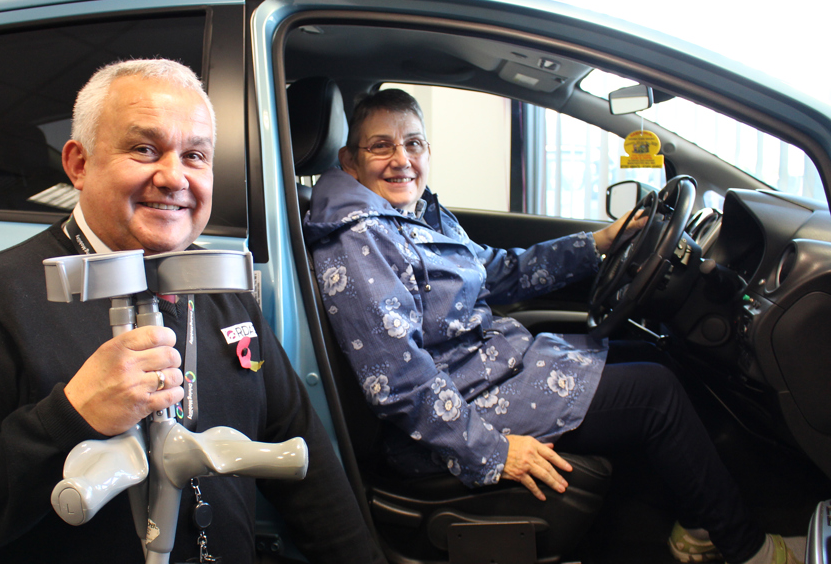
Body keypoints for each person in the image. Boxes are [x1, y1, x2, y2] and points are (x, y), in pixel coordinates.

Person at [0, 59, 384, 564]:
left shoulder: (222, 289)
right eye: (144, 149)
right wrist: (67, 418)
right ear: (79, 164)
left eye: (195, 156)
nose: (174, 177)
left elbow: (312, 476)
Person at [302, 88, 802, 564]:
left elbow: (497, 273)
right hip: (462, 404)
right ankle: (747, 547)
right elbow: (398, 380)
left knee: (653, 356)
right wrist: (492, 450)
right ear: (350, 162)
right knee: (656, 391)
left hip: (492, 369)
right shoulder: (359, 238)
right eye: (381, 147)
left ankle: (695, 520)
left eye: (413, 144)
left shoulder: (414, 214)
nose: (401, 159)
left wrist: (600, 242)